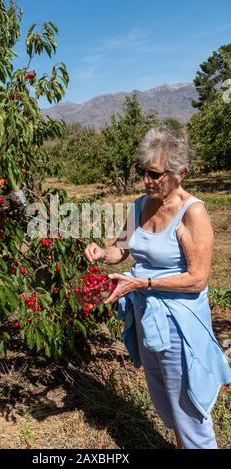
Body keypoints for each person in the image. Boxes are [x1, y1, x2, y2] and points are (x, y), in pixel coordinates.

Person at [84, 126, 231, 449]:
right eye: (143, 172)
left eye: (154, 174)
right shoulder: (140, 205)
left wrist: (143, 282)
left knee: (190, 412)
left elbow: (198, 278)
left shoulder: (193, 213)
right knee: (167, 406)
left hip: (180, 325)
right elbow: (120, 250)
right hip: (147, 319)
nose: (147, 181)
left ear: (181, 173)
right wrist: (101, 254)